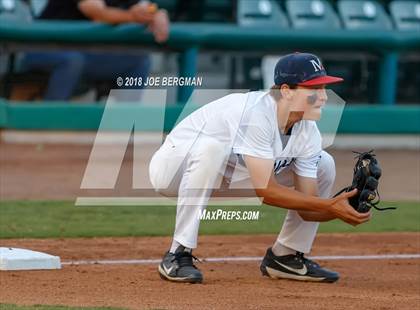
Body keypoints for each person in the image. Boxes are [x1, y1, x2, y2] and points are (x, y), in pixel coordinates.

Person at [149, 52, 371, 284]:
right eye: (314, 89)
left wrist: (342, 209)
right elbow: (266, 191)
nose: (324, 97)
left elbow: (307, 207)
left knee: (324, 163)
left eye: (324, 88)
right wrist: (329, 205)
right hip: (172, 169)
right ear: (286, 91)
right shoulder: (256, 114)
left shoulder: (307, 130)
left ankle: (285, 256)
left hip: (225, 174)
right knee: (210, 148)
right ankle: (177, 253)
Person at [22, 0, 169, 100]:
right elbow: (96, 13)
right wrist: (132, 16)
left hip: (82, 54)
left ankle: (124, 126)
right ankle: (48, 121)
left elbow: (145, 6)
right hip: (42, 48)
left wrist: (158, 14)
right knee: (72, 60)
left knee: (138, 62)